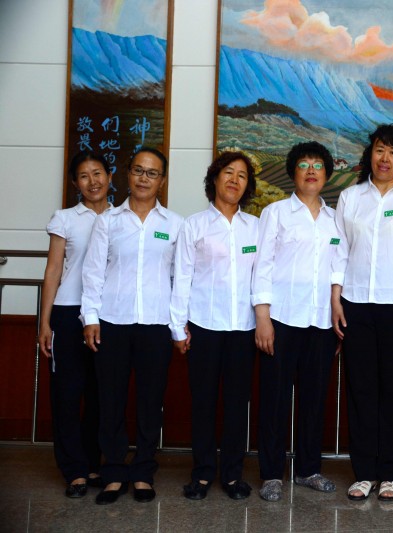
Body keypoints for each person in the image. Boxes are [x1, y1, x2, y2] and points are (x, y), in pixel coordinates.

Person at [331, 124, 393, 502]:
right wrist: (336, 298)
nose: (384, 158)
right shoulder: (350, 197)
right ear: (369, 155)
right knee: (360, 389)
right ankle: (364, 472)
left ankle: (390, 472)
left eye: (392, 152)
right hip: (356, 303)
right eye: (379, 150)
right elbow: (339, 250)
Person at [81, 147, 183, 505]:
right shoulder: (108, 221)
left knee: (149, 403)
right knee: (111, 401)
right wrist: (90, 318)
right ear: (127, 175)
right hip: (113, 322)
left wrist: (178, 328)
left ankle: (142, 470)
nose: (144, 178)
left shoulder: (174, 225)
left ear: (162, 180)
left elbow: (179, 278)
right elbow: (92, 272)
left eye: (152, 173)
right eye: (138, 170)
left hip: (155, 325)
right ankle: (113, 473)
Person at [253, 142, 340, 502]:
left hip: (320, 320)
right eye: (304, 164)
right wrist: (262, 317)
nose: (311, 170)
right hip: (282, 318)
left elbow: (339, 265)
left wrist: (336, 306)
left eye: (318, 165)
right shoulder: (276, 213)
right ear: (294, 172)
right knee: (274, 398)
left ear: (326, 174)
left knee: (314, 397)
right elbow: (263, 265)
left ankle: (307, 469)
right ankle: (272, 473)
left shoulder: (335, 219)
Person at [170, 151, 258, 501]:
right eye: (228, 173)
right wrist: (178, 328)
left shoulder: (256, 226)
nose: (235, 180)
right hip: (203, 326)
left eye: (242, 175)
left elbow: (263, 276)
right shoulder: (194, 225)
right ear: (215, 179)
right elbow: (182, 277)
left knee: (238, 404)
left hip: (244, 327)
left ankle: (233, 475)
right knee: (203, 403)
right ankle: (203, 473)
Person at [38, 150, 111, 498]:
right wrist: (45, 321)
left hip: (108, 315)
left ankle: (94, 462)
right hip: (69, 313)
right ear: (74, 183)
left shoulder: (122, 217)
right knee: (68, 394)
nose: (92, 181)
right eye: (84, 175)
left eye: (98, 173)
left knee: (100, 393)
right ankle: (74, 469)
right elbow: (53, 270)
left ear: (110, 177)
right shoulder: (65, 218)